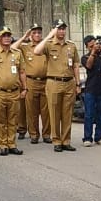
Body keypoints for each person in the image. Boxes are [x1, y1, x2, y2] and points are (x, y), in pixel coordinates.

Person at [34, 21, 79, 152]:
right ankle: (56, 140)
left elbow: (76, 65)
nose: (62, 31)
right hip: (53, 82)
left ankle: (66, 140)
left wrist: (78, 83)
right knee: (54, 113)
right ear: (54, 30)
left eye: (64, 29)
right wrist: (49, 35)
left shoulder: (71, 45)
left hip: (69, 82)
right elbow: (36, 51)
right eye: (59, 29)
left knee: (67, 113)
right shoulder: (48, 44)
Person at [18, 23, 52, 144]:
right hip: (31, 81)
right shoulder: (25, 47)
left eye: (39, 32)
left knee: (46, 110)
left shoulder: (46, 46)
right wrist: (24, 36)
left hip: (45, 81)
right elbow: (12, 48)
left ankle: (47, 134)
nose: (37, 35)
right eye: (34, 33)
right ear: (30, 35)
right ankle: (34, 134)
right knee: (31, 110)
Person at [82, 33, 101, 146]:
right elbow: (89, 66)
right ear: (87, 47)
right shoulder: (85, 57)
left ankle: (99, 137)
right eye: (91, 46)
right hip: (91, 89)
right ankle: (87, 138)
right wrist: (93, 53)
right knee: (89, 114)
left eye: (95, 45)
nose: (94, 47)